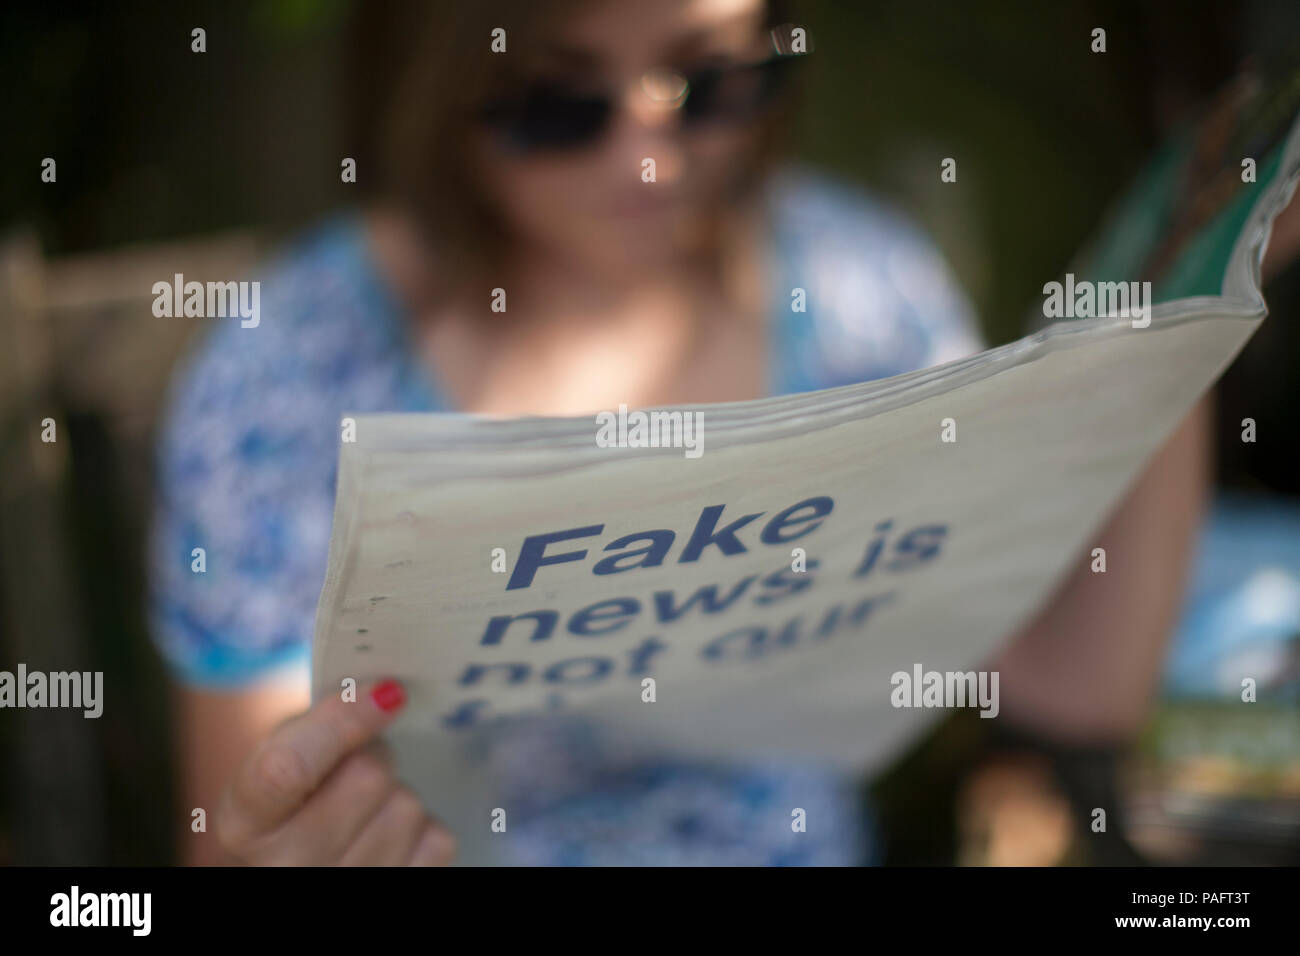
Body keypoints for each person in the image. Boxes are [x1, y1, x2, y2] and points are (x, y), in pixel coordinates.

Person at [149, 0, 1214, 865]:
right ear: (440, 81)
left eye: (709, 82)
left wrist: (1177, 325)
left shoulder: (861, 294)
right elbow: (252, 822)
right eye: (556, 103)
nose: (648, 159)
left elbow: (1072, 685)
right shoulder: (290, 374)